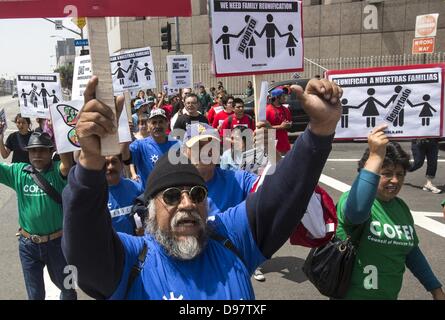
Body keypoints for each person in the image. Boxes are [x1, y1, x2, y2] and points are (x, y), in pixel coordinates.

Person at [61, 76, 342, 300]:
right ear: (150, 208)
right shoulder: (133, 260)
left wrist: (320, 130)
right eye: (171, 195)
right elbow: (84, 243)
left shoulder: (230, 236)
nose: (187, 204)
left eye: (197, 194)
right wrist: (89, 162)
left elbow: (283, 193)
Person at [336, 124, 445, 300]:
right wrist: (374, 156)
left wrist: (435, 288)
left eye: (400, 174)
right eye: (386, 173)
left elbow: (411, 252)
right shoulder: (352, 200)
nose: (395, 180)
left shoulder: (401, 208)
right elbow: (356, 212)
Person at [0, 132, 76, 300]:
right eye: (33, 151)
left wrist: (62, 129)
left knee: (69, 290)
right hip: (28, 246)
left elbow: (67, 164)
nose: (37, 154)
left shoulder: (58, 171)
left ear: (51, 152)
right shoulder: (19, 172)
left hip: (59, 245)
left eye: (42, 150)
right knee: (35, 296)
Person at [129, 108, 178, 186]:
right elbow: (125, 157)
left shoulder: (177, 145)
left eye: (161, 122)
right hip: (149, 195)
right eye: (154, 122)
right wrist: (124, 134)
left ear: (167, 123)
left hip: (172, 193)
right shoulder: (139, 145)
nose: (157, 126)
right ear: (149, 125)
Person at [106, 154, 144, 235]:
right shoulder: (94, 195)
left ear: (121, 164)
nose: (110, 167)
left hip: (135, 246)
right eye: (106, 163)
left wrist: (144, 229)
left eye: (114, 162)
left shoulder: (137, 188)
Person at [266, 88, 292, 157]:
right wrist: (280, 127)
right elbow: (264, 129)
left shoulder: (286, 109)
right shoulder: (268, 110)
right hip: (274, 146)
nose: (285, 98)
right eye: (283, 96)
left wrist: (288, 125)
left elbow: (290, 122)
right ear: (277, 98)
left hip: (285, 144)